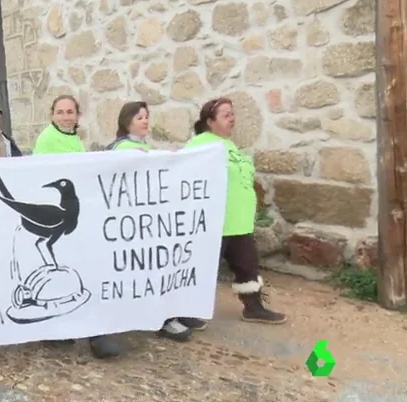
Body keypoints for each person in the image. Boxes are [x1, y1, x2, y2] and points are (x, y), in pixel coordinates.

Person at [105, 102, 207, 342]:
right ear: (127, 120)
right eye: (139, 117)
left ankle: (171, 312)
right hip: (132, 225)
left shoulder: (143, 148)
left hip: (149, 224)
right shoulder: (122, 149)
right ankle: (160, 318)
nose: (145, 121)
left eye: (147, 117)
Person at [30, 95, 120, 359]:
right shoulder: (48, 139)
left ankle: (88, 330)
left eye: (70, 112)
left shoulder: (73, 138)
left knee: (82, 269)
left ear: (77, 115)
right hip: (59, 217)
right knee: (71, 271)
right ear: (52, 114)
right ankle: (89, 333)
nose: (66, 116)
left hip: (75, 216)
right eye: (60, 112)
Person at [185, 98, 287, 324]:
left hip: (239, 220)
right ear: (210, 121)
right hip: (215, 221)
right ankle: (186, 312)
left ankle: (253, 307)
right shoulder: (200, 144)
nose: (232, 119)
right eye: (226, 115)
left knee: (247, 265)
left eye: (233, 114)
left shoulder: (230, 145)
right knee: (203, 267)